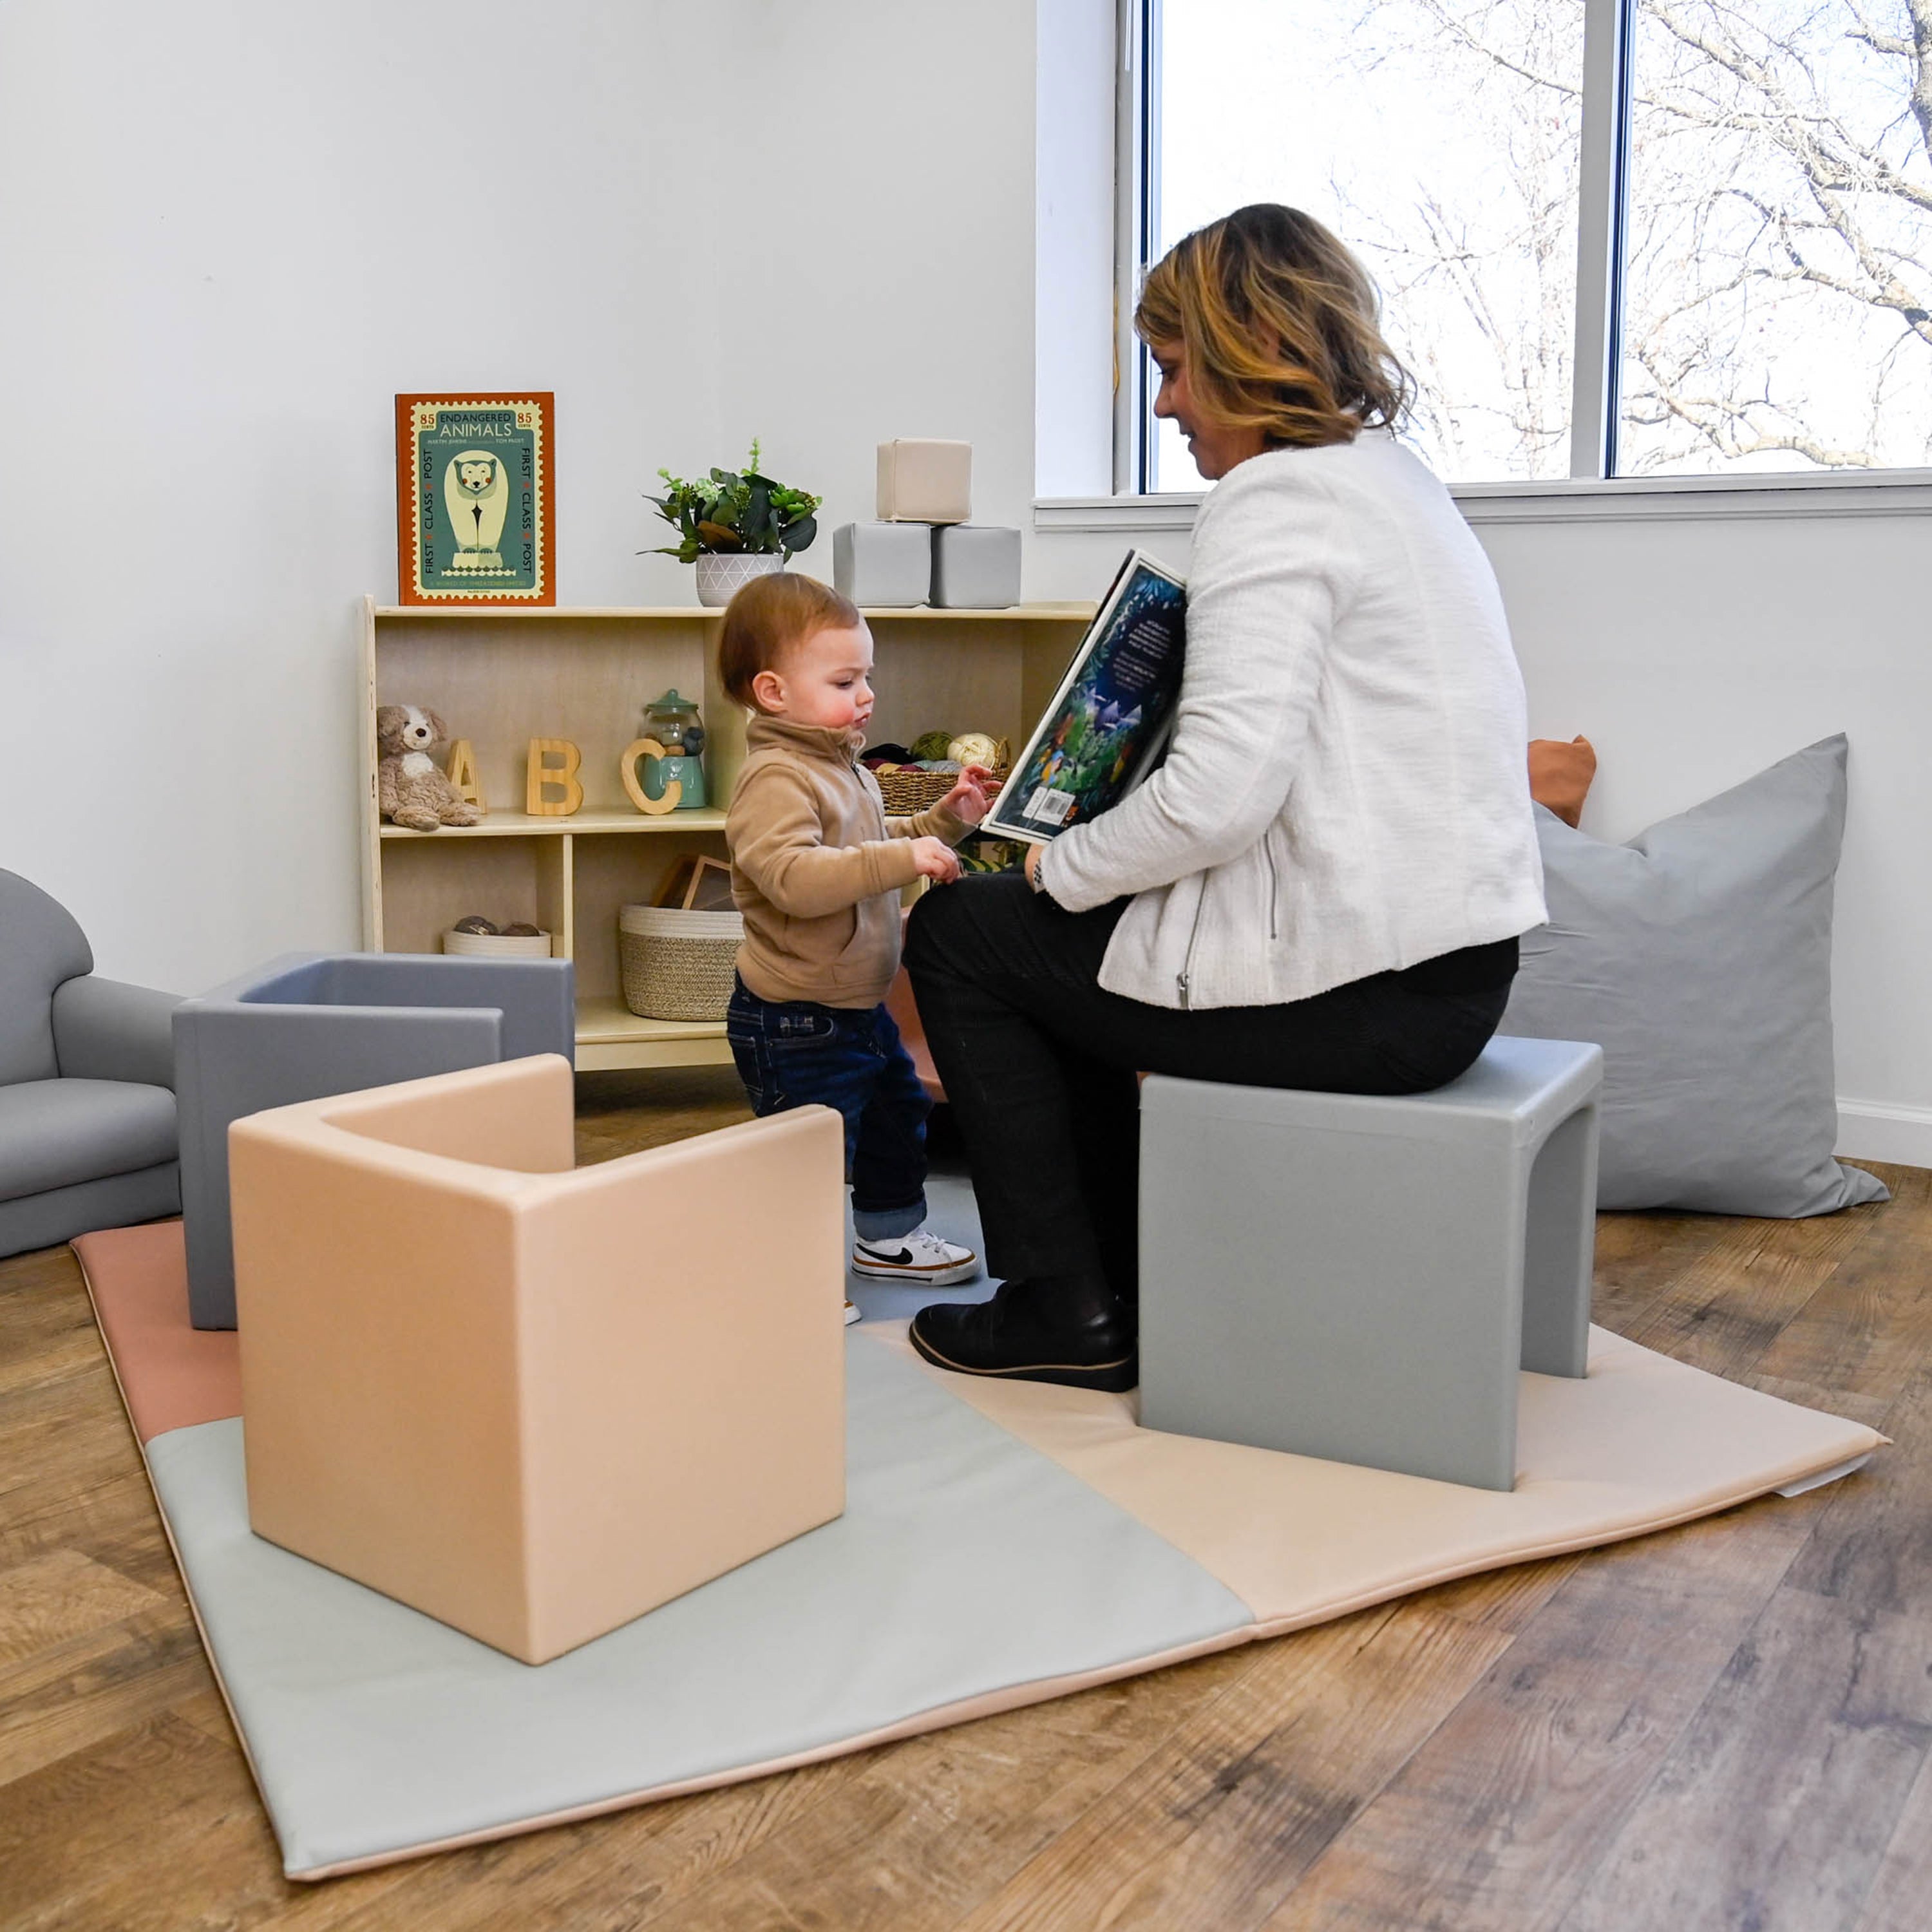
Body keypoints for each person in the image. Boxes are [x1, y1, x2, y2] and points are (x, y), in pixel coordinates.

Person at [903, 202, 1548, 1392]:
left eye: (1172, 368)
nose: (1164, 407)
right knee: (1045, 945)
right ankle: (1121, 1284)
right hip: (1456, 973)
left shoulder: (1275, 500)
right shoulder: (1393, 484)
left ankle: (1067, 1303)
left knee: (961, 932)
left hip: (1373, 999)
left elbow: (1219, 800)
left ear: (1245, 348)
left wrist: (1060, 861)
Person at [718, 573, 993, 1321]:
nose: (866, 693)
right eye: (845, 679)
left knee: (897, 1118)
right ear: (773, 692)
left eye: (866, 675)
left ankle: (887, 1240)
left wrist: (944, 823)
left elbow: (875, 846)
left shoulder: (841, 764)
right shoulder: (775, 778)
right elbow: (795, 879)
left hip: (854, 1006)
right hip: (794, 1018)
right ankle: (789, 1270)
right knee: (806, 1153)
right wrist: (903, 862)